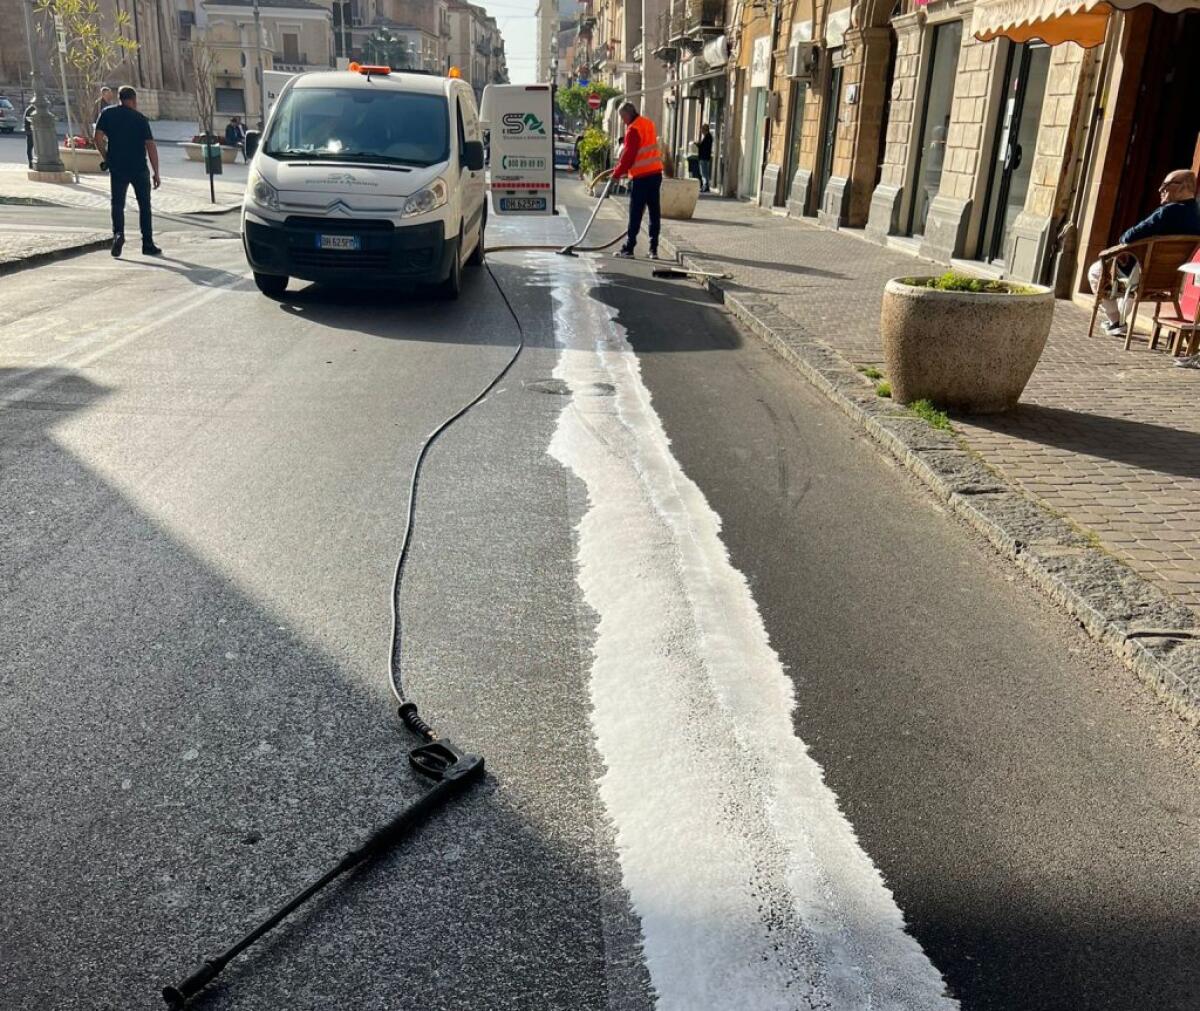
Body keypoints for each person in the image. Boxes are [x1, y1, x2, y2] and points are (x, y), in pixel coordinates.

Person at [1088, 169, 1200, 337]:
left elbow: (1127, 237)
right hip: (1170, 276)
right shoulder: (1197, 215)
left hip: (1141, 274)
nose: (1160, 190)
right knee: (1131, 275)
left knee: (1096, 270)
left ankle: (1115, 322)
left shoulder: (1166, 212)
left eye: (1166, 185)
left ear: (1183, 187)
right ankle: (1119, 319)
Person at [94, 86, 162, 258]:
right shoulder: (140, 119)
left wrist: (106, 156)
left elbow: (97, 137)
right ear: (133, 100)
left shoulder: (107, 114)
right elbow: (150, 146)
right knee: (144, 205)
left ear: (119, 98)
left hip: (117, 167)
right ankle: (147, 243)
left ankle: (118, 235)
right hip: (138, 167)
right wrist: (156, 172)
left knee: (117, 204)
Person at [611, 101, 664, 260]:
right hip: (655, 173)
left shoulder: (633, 129)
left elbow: (628, 156)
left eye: (622, 117)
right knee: (654, 212)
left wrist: (616, 174)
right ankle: (653, 249)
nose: (622, 121)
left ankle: (629, 248)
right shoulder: (648, 123)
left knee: (636, 213)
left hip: (641, 177)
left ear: (627, 114)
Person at [697, 123, 713, 194]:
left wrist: (697, 144)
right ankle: (706, 186)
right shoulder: (708, 137)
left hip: (704, 157)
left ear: (704, 130)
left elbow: (703, 147)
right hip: (705, 157)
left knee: (704, 173)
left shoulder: (707, 137)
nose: (701, 131)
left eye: (702, 129)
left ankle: (705, 186)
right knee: (704, 172)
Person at [24, 100, 35, 168]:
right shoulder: (30, 110)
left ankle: (31, 163)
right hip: (31, 132)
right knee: (30, 148)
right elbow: (27, 121)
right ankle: (31, 163)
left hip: (31, 132)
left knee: (30, 148)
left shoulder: (30, 109)